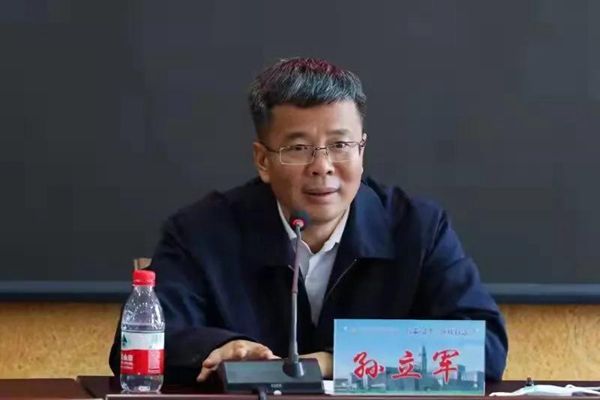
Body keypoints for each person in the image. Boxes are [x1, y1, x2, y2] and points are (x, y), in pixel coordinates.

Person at [109, 57, 508, 384]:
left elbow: (484, 347)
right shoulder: (202, 231)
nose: (322, 166)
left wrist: (334, 361)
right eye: (299, 148)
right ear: (263, 160)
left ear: (362, 151)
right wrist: (221, 348)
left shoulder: (417, 228)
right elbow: (136, 345)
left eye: (340, 145)